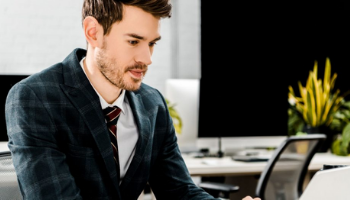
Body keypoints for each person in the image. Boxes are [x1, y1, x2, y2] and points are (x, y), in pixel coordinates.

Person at [5, 0, 261, 199]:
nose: (147, 58)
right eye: (134, 41)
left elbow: (179, 192)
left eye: (152, 44)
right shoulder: (35, 99)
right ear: (93, 32)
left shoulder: (153, 105)